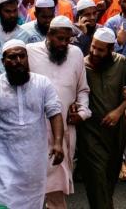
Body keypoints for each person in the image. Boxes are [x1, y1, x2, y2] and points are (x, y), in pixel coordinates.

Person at [0, 39, 64, 208]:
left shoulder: (43, 84)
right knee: (0, 203)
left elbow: (55, 112)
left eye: (22, 56)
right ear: (3, 61)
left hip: (33, 163)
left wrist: (58, 143)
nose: (18, 61)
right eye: (12, 57)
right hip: (0, 162)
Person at [26, 15, 90, 208]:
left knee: (57, 185)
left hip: (65, 128)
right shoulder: (30, 52)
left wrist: (83, 113)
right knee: (34, 185)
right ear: (49, 34)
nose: (64, 44)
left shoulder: (76, 53)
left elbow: (83, 90)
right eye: (60, 39)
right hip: (35, 129)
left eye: (68, 39)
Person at [78, 27, 126, 208]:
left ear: (111, 49)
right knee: (96, 178)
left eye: (101, 50)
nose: (95, 53)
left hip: (116, 132)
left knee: (110, 177)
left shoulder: (121, 63)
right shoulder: (82, 65)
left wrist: (119, 111)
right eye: (93, 47)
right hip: (90, 132)